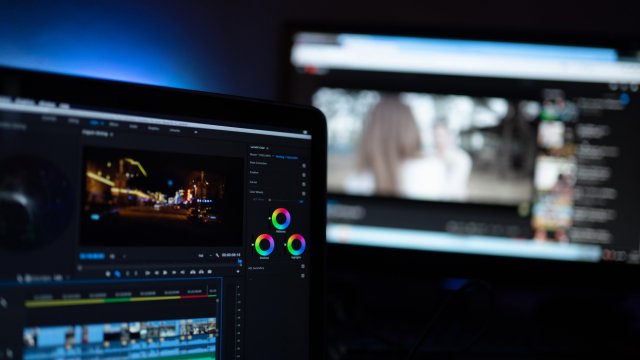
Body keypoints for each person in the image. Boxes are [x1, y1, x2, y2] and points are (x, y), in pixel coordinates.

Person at [344, 96, 471, 201]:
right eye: (435, 135)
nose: (437, 139)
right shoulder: (430, 165)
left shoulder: (459, 159)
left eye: (441, 135)